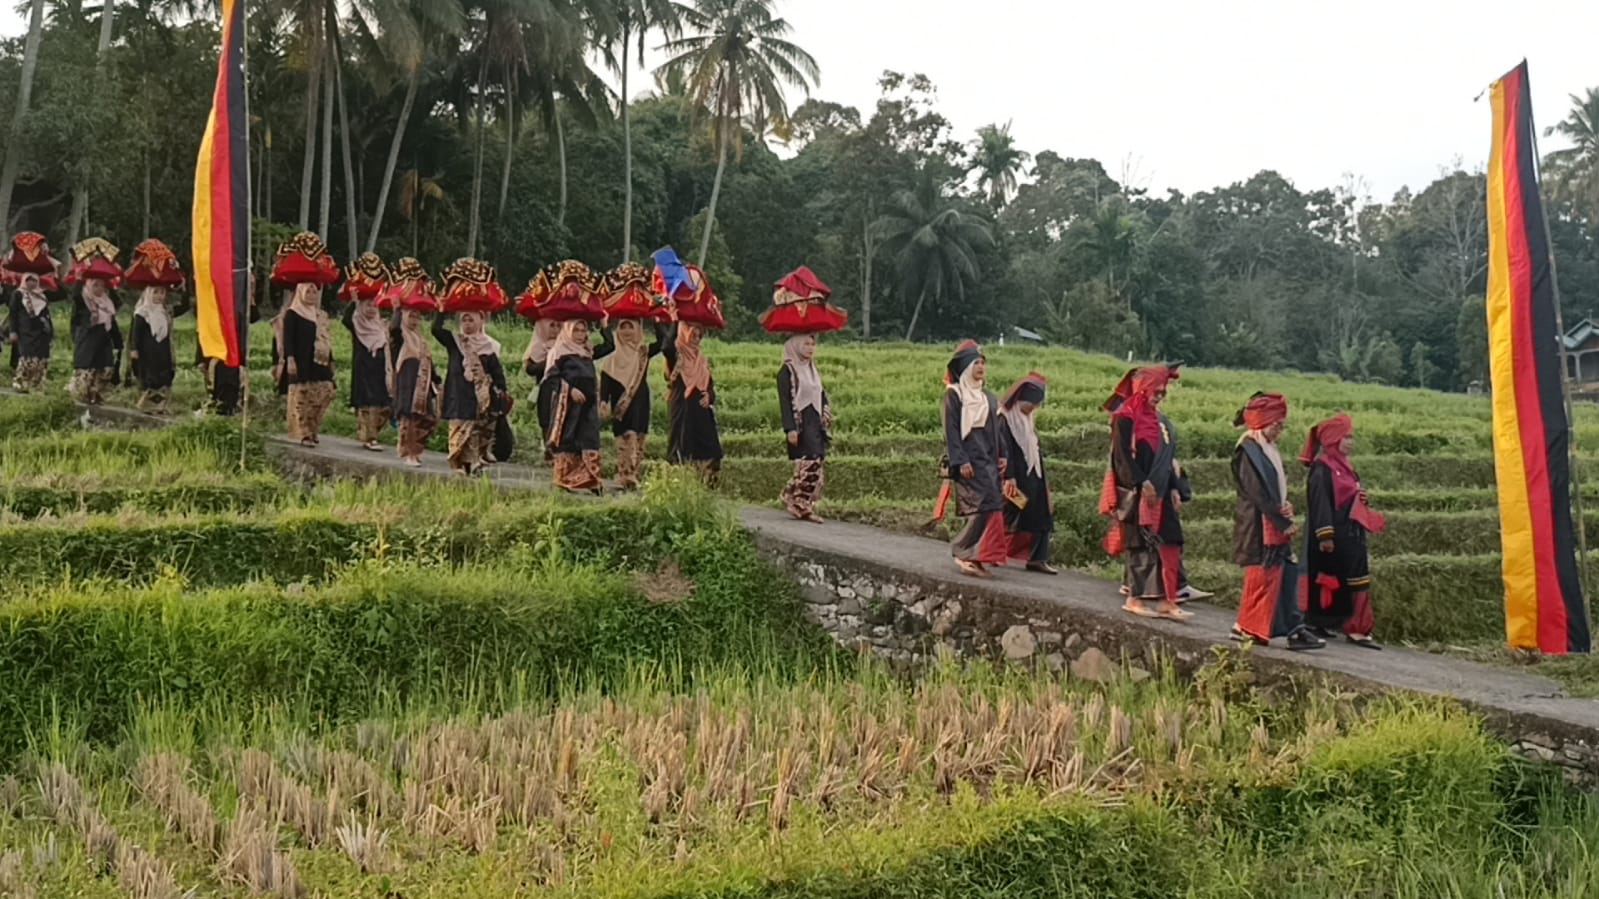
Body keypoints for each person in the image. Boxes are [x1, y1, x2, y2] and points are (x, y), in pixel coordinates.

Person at [1231, 392, 1325, 650]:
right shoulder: (1249, 451)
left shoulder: (1265, 449)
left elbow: (1271, 490)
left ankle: (1293, 629)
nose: (1279, 432)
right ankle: (1249, 626)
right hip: (1258, 526)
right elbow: (1257, 494)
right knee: (1262, 577)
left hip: (1270, 521)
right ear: (1262, 423)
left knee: (1284, 575)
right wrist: (1282, 522)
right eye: (1277, 426)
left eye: (1282, 426)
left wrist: (1284, 507)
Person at [1104, 365, 1190, 621]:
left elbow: (1168, 459)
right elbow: (1122, 458)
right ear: (1143, 389)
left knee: (1170, 542)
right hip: (1137, 491)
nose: (1159, 396)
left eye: (1163, 392)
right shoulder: (1125, 417)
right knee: (1139, 544)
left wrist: (1175, 487)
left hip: (1162, 492)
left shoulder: (1162, 422)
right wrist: (1141, 483)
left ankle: (1167, 600)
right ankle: (1135, 598)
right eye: (1156, 391)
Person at [1301, 412, 1386, 649]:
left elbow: (1348, 495)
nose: (1350, 441)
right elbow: (1320, 504)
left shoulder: (1345, 467)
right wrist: (1325, 535)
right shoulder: (1322, 469)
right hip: (1336, 535)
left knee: (1344, 579)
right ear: (1333, 440)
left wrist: (1361, 497)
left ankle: (1328, 622)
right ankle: (1355, 628)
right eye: (1346, 437)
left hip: (1350, 532)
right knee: (1347, 579)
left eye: (1351, 437)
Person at [940, 341, 1007, 577]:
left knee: (992, 505)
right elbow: (952, 430)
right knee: (980, 507)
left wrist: (1003, 455)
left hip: (987, 458)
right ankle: (963, 549)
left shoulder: (988, 397)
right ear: (966, 367)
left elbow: (997, 430)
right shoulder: (954, 394)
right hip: (969, 460)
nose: (980, 367)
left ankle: (976, 553)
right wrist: (961, 461)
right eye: (975, 363)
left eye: (982, 363)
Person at [434, 310, 507, 475]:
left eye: (471, 319)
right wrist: (442, 311)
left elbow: (497, 373)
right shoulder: (455, 342)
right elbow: (436, 330)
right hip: (458, 393)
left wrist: (500, 391)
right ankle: (457, 463)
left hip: (478, 396)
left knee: (474, 430)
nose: (467, 323)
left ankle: (472, 463)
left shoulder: (488, 347)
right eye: (464, 320)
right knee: (458, 428)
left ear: (481, 321)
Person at [997, 372, 1054, 574]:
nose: (1033, 408)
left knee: (1042, 516)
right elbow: (1005, 450)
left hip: (1033, 475)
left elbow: (1034, 449)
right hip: (1015, 478)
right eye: (1032, 403)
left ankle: (1038, 558)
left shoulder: (1027, 420)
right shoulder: (1005, 419)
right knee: (1009, 516)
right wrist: (1009, 477)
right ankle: (994, 551)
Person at [597, 319, 664, 490]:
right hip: (621, 400)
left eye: (630, 327)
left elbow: (664, 342)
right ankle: (623, 474)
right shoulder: (613, 355)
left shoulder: (643, 351)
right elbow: (606, 380)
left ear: (638, 330)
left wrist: (657, 320)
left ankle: (633, 473)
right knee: (626, 436)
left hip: (640, 400)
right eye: (623, 327)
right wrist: (603, 400)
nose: (627, 331)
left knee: (639, 437)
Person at [544, 319, 604, 493]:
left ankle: (591, 480)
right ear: (567, 331)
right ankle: (565, 479)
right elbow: (551, 378)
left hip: (588, 405)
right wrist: (570, 390)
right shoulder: (559, 352)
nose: (579, 335)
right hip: (568, 406)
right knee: (568, 438)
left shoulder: (586, 352)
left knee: (590, 439)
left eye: (582, 331)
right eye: (575, 331)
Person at [777, 333, 832, 522]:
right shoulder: (787, 371)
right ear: (796, 346)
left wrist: (826, 410)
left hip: (815, 421)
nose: (810, 348)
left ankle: (797, 500)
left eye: (812, 344)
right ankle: (800, 504)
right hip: (801, 422)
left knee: (817, 460)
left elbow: (821, 393)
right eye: (806, 344)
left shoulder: (811, 369)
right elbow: (785, 403)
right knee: (810, 460)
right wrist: (790, 428)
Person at [661, 323, 724, 486]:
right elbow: (667, 347)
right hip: (683, 411)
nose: (696, 340)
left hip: (701, 414)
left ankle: (705, 487)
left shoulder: (701, 360)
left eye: (698, 336)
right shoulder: (677, 357)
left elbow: (710, 386)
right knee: (682, 447)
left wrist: (709, 396)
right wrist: (675, 321)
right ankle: (681, 487)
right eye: (692, 335)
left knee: (711, 451)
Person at [281, 282, 336, 446]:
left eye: (314, 291)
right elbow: (288, 338)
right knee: (302, 397)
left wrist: (331, 360)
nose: (312, 295)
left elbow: (326, 339)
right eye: (308, 291)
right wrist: (290, 359)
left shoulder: (320, 315)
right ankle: (303, 433)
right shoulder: (293, 313)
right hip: (300, 359)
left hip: (320, 360)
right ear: (300, 293)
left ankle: (313, 430)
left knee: (324, 391)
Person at [390, 304, 439, 467]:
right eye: (411, 316)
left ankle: (416, 452)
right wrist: (396, 310)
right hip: (407, 385)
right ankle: (408, 453)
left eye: (417, 317)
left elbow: (429, 363)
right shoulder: (400, 339)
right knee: (409, 420)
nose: (414, 320)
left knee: (425, 420)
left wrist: (437, 380)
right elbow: (394, 329)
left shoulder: (421, 341)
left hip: (423, 386)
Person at [127, 285, 187, 413]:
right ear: (148, 294)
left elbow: (184, 307)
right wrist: (134, 349)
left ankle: (161, 407)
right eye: (155, 293)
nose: (159, 296)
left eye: (162, 293)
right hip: (147, 352)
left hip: (162, 351)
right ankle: (147, 407)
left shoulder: (164, 312)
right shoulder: (141, 312)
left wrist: (184, 289)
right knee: (150, 379)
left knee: (163, 377)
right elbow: (136, 334)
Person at [342, 298, 392, 451]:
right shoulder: (358, 324)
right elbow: (346, 319)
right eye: (368, 305)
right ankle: (370, 438)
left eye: (374, 305)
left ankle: (371, 435)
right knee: (369, 403)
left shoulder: (380, 327)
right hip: (364, 369)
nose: (371, 308)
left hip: (380, 369)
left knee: (384, 405)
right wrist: (353, 301)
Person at [70, 276, 123, 405]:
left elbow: (113, 318)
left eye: (102, 286)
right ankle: (82, 397)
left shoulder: (108, 303)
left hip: (104, 340)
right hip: (87, 340)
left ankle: (96, 396)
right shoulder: (82, 300)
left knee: (103, 369)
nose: (99, 289)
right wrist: (80, 275)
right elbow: (75, 320)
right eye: (95, 285)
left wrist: (118, 342)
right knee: (87, 370)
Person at [521, 317, 562, 463]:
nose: (555, 330)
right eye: (552, 326)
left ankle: (559, 452)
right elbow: (530, 369)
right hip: (545, 387)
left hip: (563, 387)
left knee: (561, 419)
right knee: (546, 419)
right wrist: (549, 362)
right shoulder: (538, 346)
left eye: (558, 326)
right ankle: (549, 451)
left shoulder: (566, 346)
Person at [4, 272, 52, 392]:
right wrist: (12, 331)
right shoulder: (18, 294)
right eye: (29, 280)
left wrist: (51, 333)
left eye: (35, 280)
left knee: (41, 357)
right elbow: (13, 314)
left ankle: (37, 384)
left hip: (41, 331)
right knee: (26, 356)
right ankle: (21, 383)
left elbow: (47, 315)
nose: (32, 283)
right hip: (25, 330)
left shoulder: (41, 296)